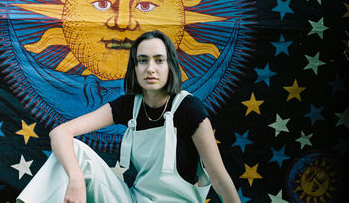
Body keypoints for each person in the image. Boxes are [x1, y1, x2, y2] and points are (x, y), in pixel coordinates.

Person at [17, 30, 240, 203]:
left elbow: (219, 179)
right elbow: (61, 132)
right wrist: (76, 179)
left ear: (170, 65)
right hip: (133, 199)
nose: (150, 68)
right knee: (74, 151)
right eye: (142, 60)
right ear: (134, 67)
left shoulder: (189, 108)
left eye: (159, 60)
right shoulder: (128, 106)